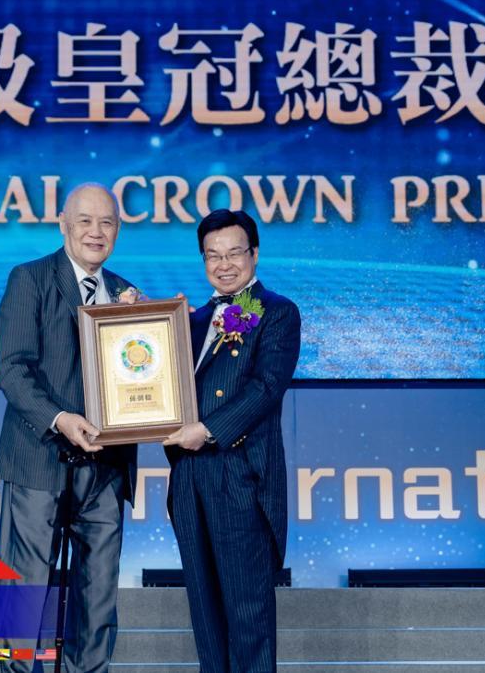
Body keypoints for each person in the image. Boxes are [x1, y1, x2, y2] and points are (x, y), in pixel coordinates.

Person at [0, 183, 138, 673]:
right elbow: (12, 366)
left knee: (98, 595)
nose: (96, 232)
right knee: (25, 590)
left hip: (106, 467)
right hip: (39, 459)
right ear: (63, 224)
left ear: (117, 230)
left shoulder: (127, 294)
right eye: (85, 221)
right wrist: (60, 419)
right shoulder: (30, 279)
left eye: (107, 223)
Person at [163, 209, 301, 673]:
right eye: (212, 255)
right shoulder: (191, 320)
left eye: (234, 253)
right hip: (189, 478)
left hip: (241, 476)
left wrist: (206, 431)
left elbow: (266, 387)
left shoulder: (277, 312)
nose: (224, 264)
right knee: (206, 619)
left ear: (254, 254)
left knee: (247, 617)